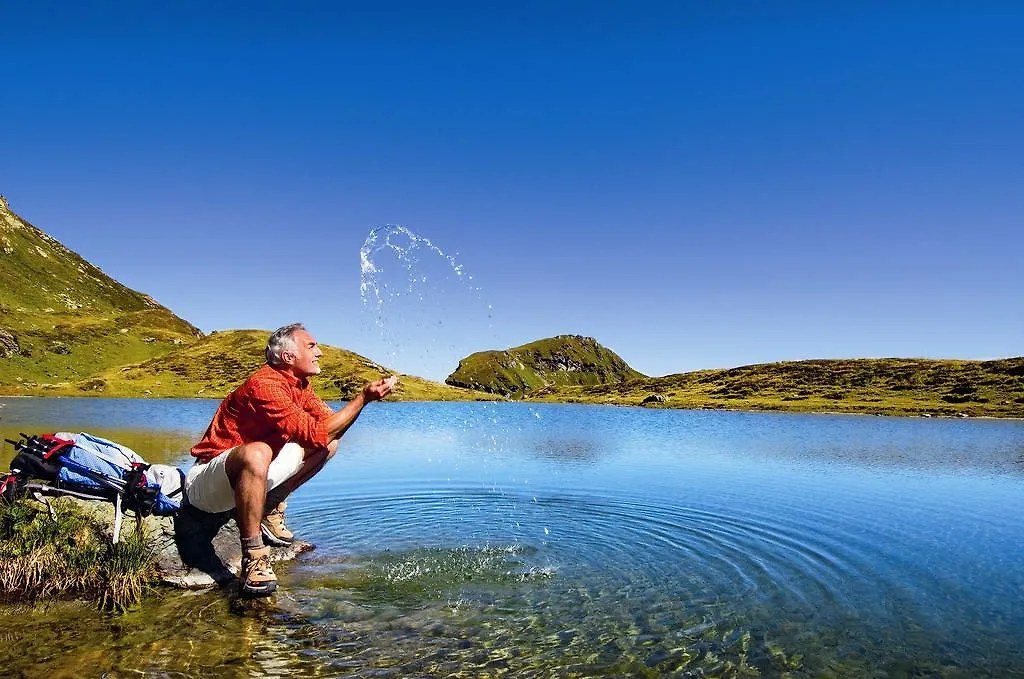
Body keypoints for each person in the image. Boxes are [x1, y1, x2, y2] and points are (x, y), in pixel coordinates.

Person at [185, 323, 395, 596]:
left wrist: (363, 402)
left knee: (328, 445)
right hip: (207, 487)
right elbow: (318, 430)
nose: (319, 352)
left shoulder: (300, 387)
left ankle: (269, 506)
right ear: (288, 357)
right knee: (258, 450)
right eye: (311, 346)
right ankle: (254, 556)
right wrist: (362, 398)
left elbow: (328, 429)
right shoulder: (264, 385)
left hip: (246, 477)